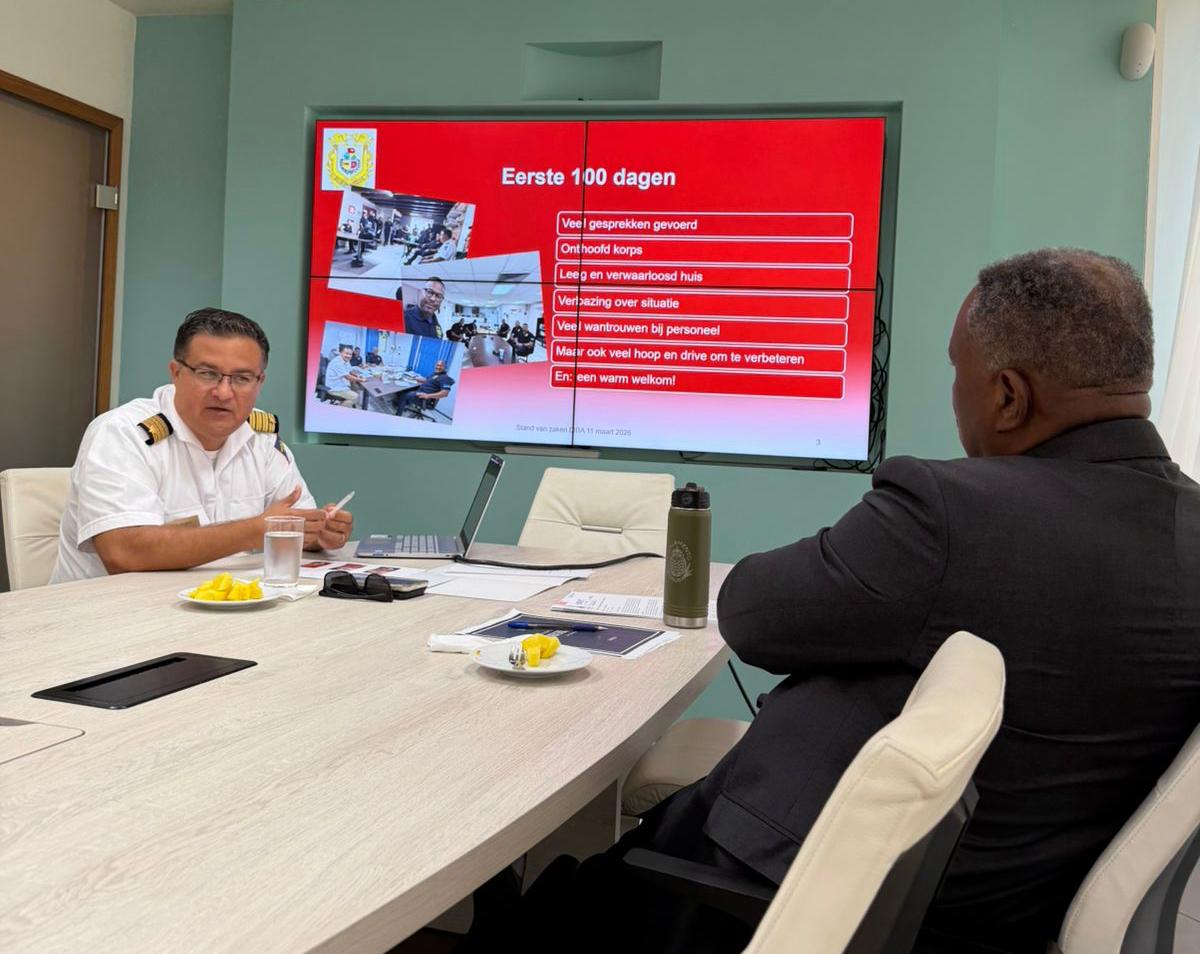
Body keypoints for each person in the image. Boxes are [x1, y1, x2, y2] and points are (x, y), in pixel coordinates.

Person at [464, 249, 1200, 954]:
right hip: (993, 909)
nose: (954, 395)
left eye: (958, 373)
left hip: (792, 889)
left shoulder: (956, 511)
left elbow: (752, 613)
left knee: (554, 915)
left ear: (1009, 396)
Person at [50, 308, 354, 584]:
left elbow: (293, 523)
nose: (223, 393)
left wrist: (320, 534)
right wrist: (257, 529)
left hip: (218, 607)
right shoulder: (123, 434)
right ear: (176, 373)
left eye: (242, 378)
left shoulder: (261, 438)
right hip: (107, 616)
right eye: (208, 374)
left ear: (259, 382)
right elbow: (123, 553)